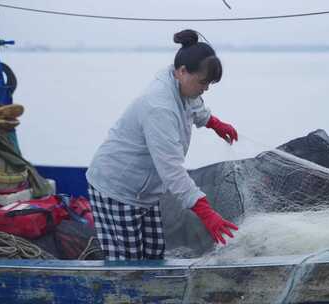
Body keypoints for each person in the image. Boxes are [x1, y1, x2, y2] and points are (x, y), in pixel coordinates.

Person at [86, 29, 239, 260]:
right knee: (128, 264)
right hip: (117, 187)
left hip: (144, 191)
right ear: (182, 71)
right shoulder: (159, 107)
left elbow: (193, 105)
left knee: (154, 255)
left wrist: (214, 123)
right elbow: (171, 170)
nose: (205, 89)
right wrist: (206, 213)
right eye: (203, 82)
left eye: (209, 84)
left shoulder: (181, 86)